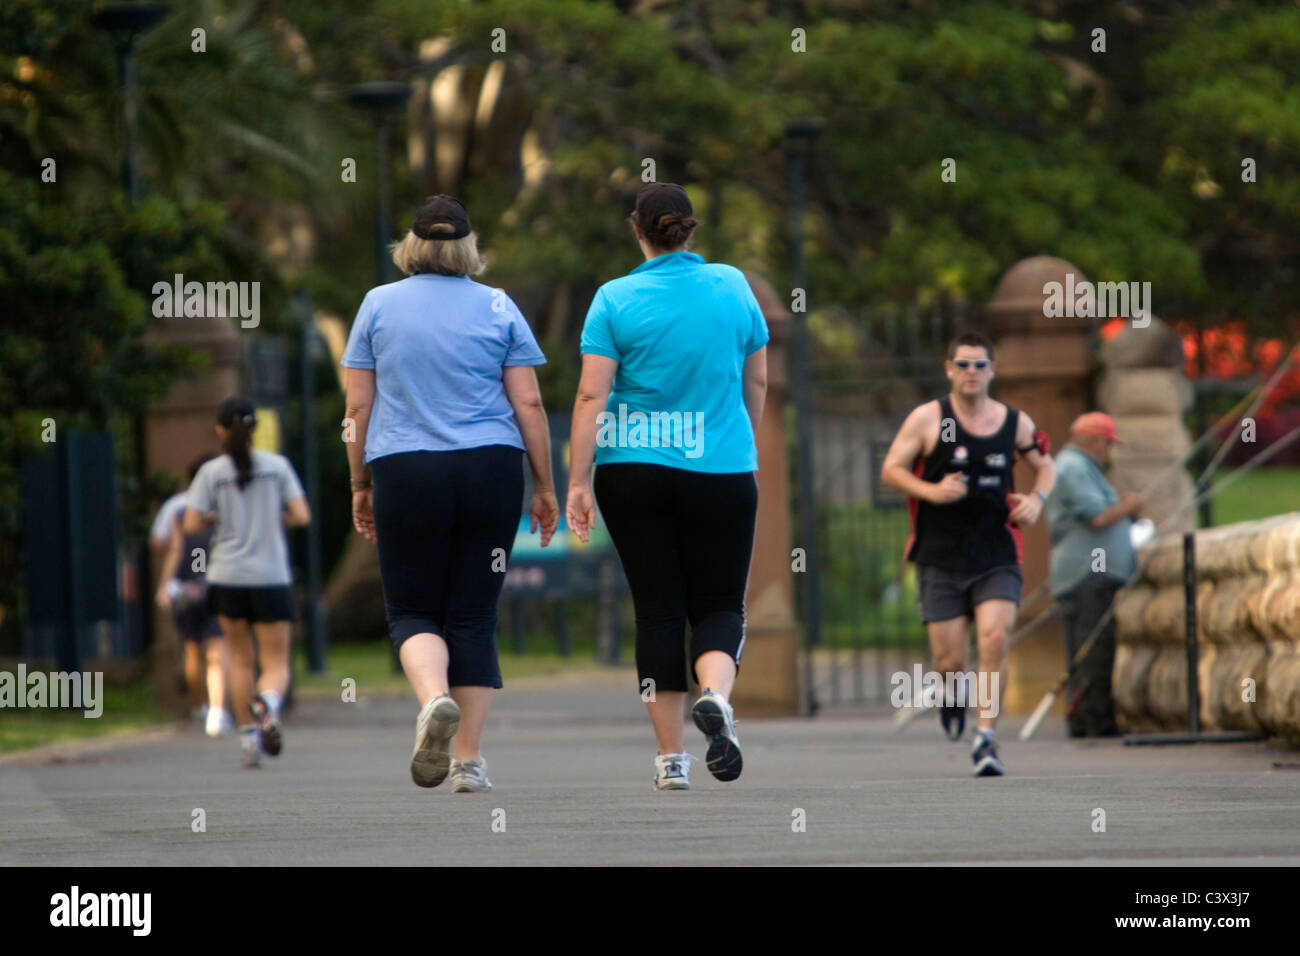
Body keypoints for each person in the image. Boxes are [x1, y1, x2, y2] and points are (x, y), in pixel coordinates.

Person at [342, 194, 557, 793]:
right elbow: (529, 404)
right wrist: (544, 485)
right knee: (473, 614)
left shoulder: (377, 305)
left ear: (410, 246)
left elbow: (358, 406)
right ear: (468, 247)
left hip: (406, 469)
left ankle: (434, 698)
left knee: (413, 610)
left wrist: (360, 482)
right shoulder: (498, 304)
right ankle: (468, 763)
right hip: (489, 469)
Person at [566, 182, 768, 791]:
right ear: (691, 230)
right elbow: (755, 378)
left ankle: (670, 761)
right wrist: (739, 440)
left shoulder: (612, 299)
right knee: (720, 605)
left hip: (633, 470)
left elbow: (591, 395)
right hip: (722, 470)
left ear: (638, 230)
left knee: (657, 611)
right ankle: (716, 697)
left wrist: (577, 479)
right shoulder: (733, 285)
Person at [881, 331, 1056, 776]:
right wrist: (932, 491)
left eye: (980, 365)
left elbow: (1046, 464)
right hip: (939, 553)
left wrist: (1037, 499)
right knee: (950, 661)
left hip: (997, 550)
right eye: (963, 364)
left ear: (992, 370)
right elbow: (891, 470)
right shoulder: (928, 418)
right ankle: (953, 694)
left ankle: (986, 739)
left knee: (995, 639)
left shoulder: (1013, 422)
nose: (971, 373)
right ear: (949, 370)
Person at [184, 397, 311, 768]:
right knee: (276, 663)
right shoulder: (277, 467)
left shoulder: (211, 473)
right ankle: (268, 705)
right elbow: (301, 515)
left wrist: (215, 520)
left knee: (239, 660)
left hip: (226, 577)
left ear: (220, 429)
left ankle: (249, 742)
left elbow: (191, 524)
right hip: (271, 576)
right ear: (255, 429)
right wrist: (273, 521)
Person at [1047, 412, 1141, 737]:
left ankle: (1083, 718)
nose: (1108, 451)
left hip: (1084, 574)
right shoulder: (1074, 467)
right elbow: (1097, 517)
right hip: (1090, 574)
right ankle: (1094, 721)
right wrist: (1129, 506)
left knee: (1084, 649)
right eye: (1107, 444)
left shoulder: (1076, 467)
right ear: (1094, 440)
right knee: (1094, 650)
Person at [155, 452, 230, 737]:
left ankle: (200, 706)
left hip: (187, 590)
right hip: (218, 583)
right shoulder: (224, 506)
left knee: (192, 650)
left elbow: (170, 549)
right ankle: (217, 710)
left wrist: (164, 586)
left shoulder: (177, 510)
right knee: (218, 650)